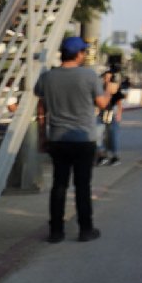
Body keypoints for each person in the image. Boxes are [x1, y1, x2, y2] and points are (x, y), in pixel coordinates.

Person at [34, 37, 111, 242]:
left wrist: (42, 134)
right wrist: (110, 90)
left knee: (59, 185)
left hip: (57, 139)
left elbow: (41, 106)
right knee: (82, 186)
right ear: (78, 54)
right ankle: (86, 229)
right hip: (83, 139)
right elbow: (102, 103)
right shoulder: (89, 76)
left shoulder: (47, 77)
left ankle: (56, 231)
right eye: (84, 52)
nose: (84, 55)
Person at [96, 70, 124, 166]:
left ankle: (114, 156)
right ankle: (101, 155)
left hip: (112, 113)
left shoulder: (115, 88)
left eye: (109, 78)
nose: (106, 80)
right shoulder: (98, 88)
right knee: (98, 134)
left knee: (112, 135)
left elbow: (119, 102)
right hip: (100, 113)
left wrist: (119, 114)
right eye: (105, 77)